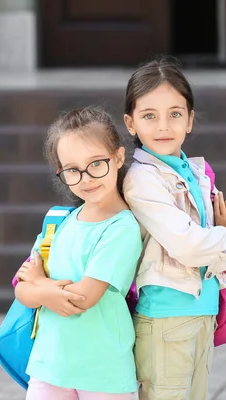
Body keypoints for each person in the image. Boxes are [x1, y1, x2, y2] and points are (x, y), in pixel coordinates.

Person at [123, 56, 226, 400]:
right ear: (130, 123)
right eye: (149, 116)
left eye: (175, 114)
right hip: (166, 319)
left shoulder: (195, 172)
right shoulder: (142, 179)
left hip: (201, 314)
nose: (164, 126)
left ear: (190, 120)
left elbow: (225, 239)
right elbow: (192, 246)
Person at [15, 106, 142, 400]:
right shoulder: (58, 221)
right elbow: (22, 289)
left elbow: (83, 298)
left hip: (103, 372)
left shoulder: (121, 228)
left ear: (119, 157)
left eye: (96, 163)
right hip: (49, 367)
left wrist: (43, 287)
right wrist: (37, 288)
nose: (86, 178)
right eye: (73, 170)